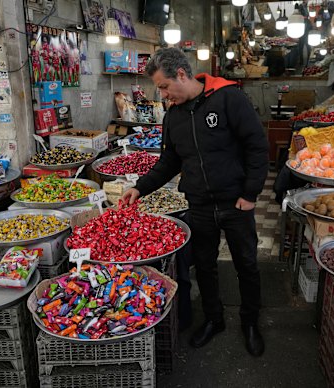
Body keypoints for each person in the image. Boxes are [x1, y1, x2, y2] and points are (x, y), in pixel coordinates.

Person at [122, 48, 268, 357]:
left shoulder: (229, 98)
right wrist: (139, 188)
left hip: (235, 202)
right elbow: (169, 162)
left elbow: (257, 147)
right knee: (204, 265)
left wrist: (250, 194)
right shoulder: (174, 115)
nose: (162, 94)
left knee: (247, 264)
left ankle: (251, 321)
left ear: (182, 75)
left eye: (163, 86)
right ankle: (214, 319)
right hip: (199, 204)